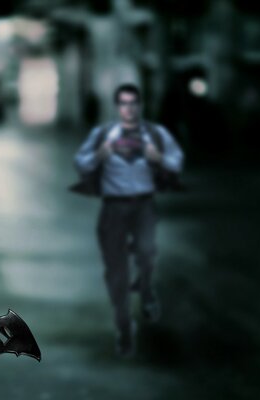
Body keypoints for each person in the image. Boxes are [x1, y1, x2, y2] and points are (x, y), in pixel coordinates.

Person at [72, 83, 184, 357]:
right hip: (113, 208)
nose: (129, 108)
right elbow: (81, 162)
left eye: (133, 103)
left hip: (144, 205)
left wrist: (160, 158)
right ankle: (124, 329)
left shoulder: (155, 134)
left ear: (140, 106)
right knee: (116, 272)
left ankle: (145, 287)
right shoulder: (102, 134)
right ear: (117, 106)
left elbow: (176, 160)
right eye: (123, 103)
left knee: (146, 252)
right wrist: (101, 155)